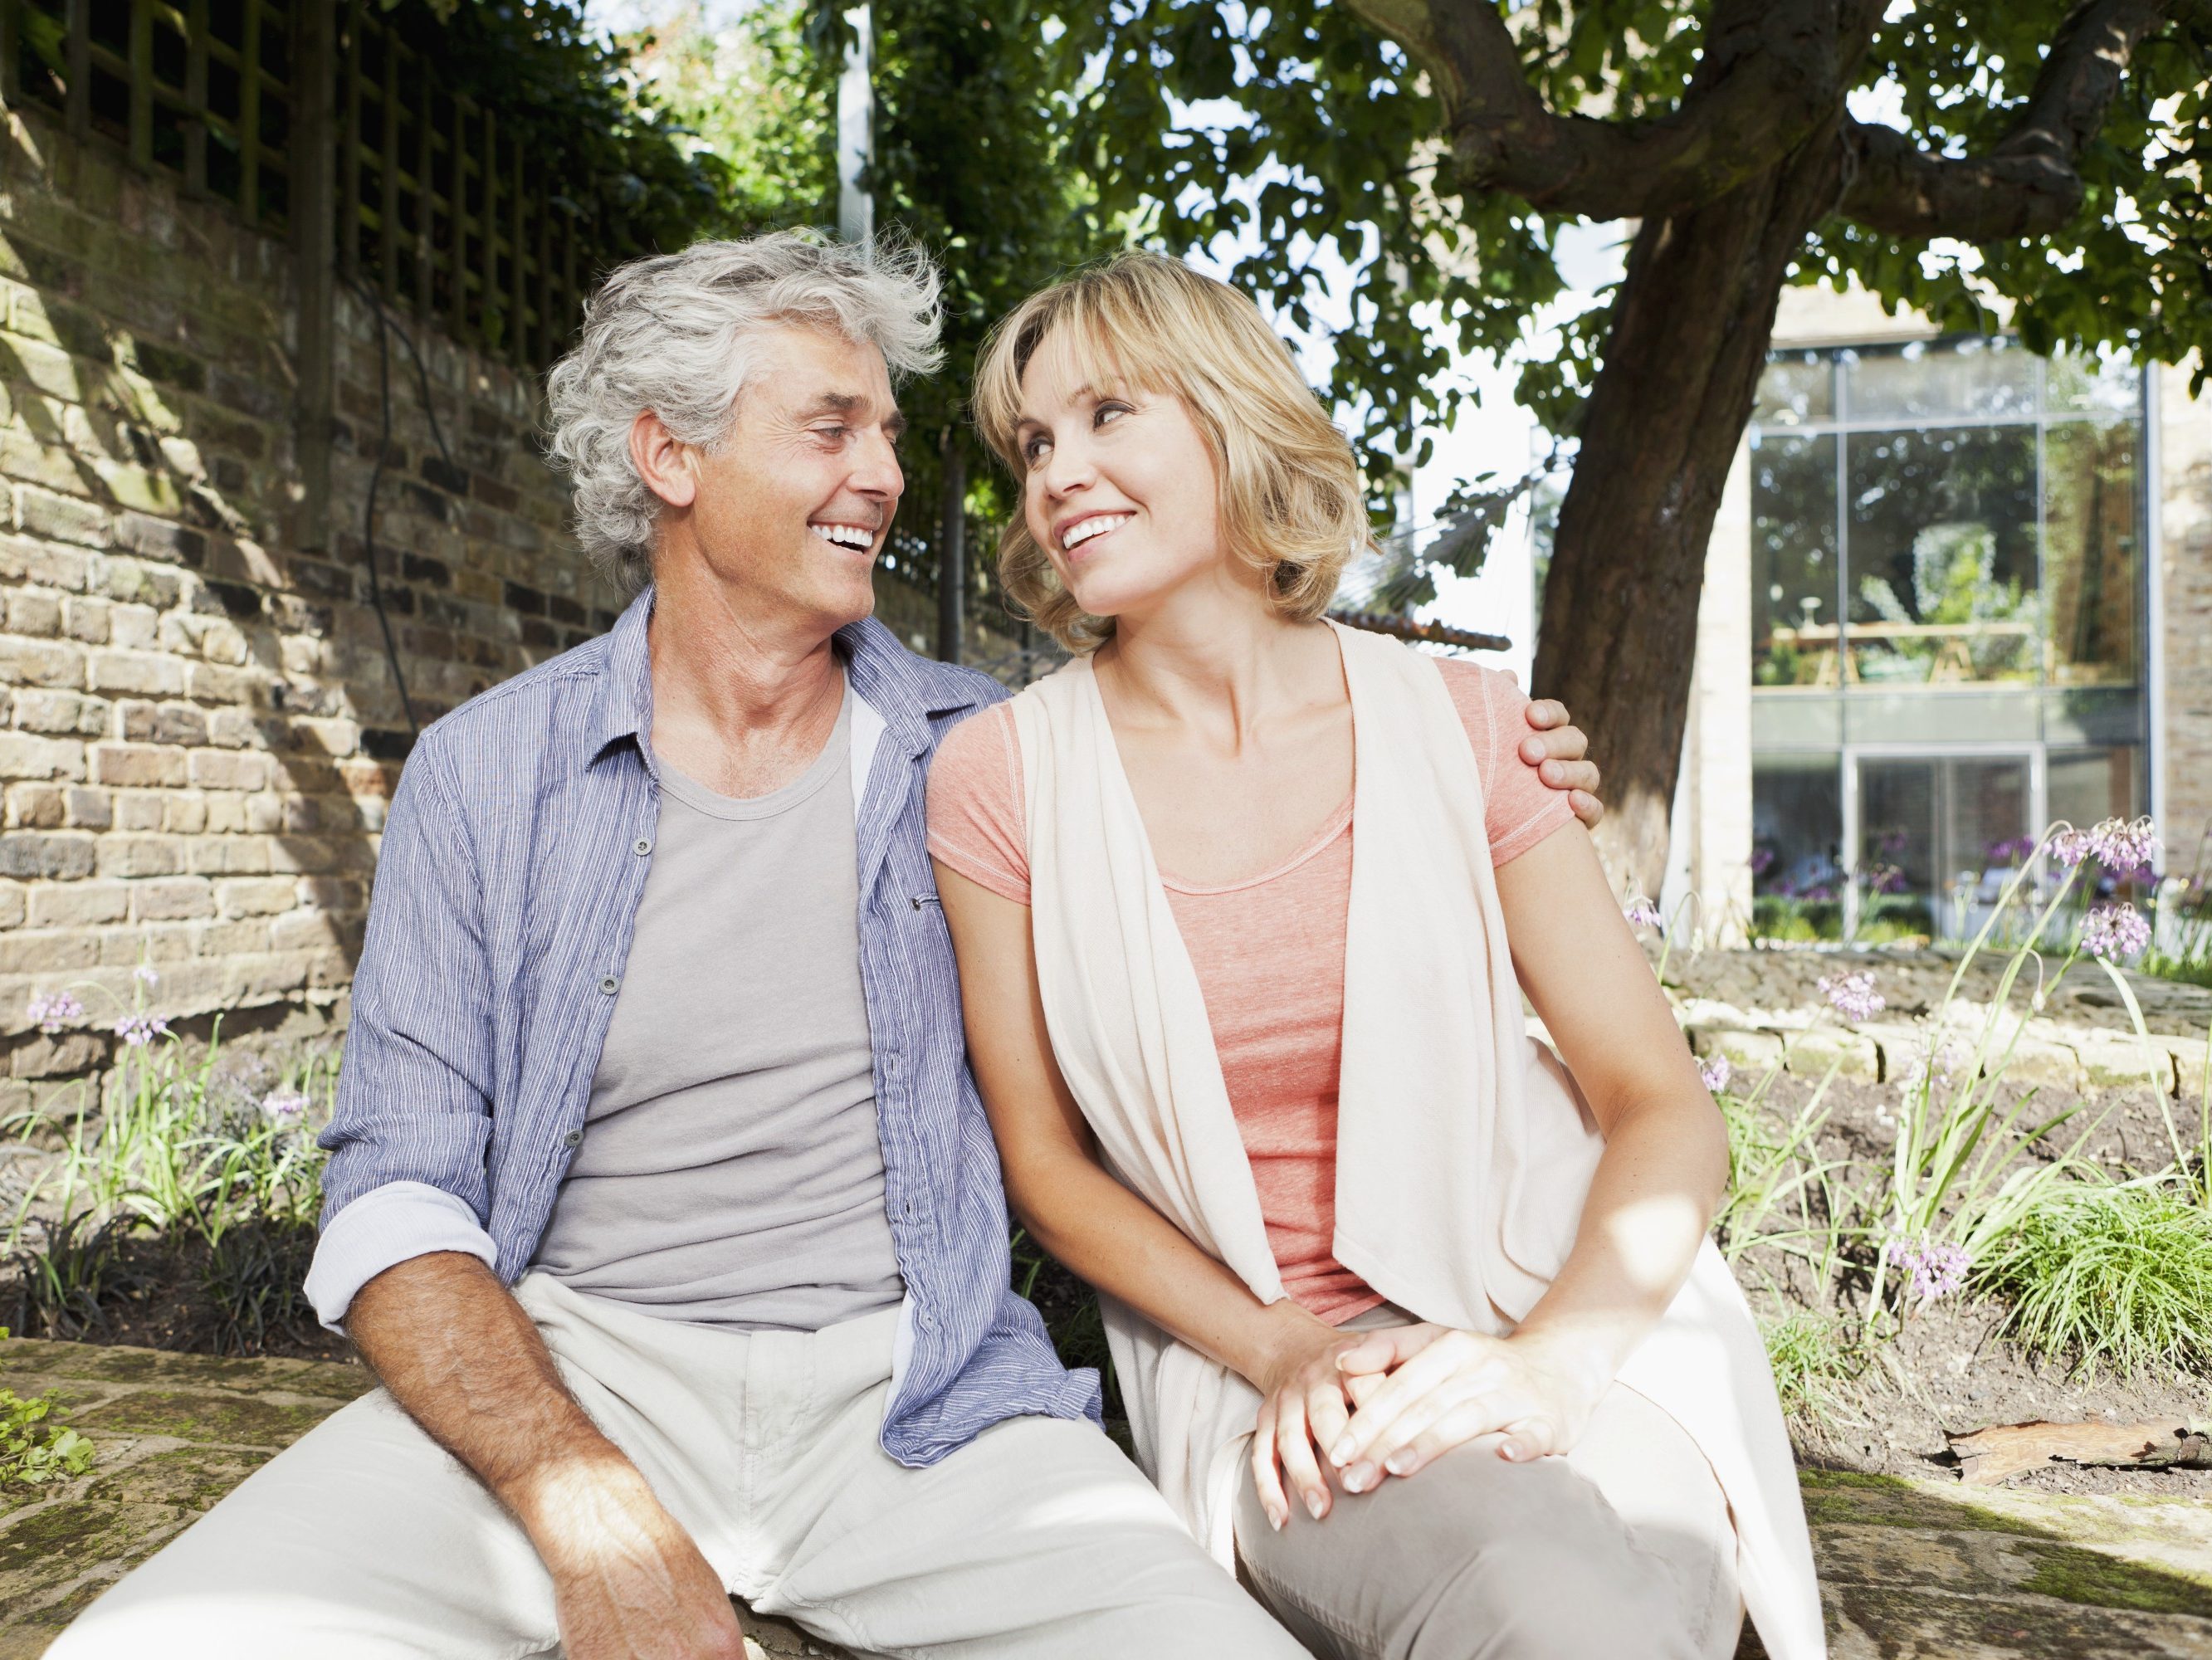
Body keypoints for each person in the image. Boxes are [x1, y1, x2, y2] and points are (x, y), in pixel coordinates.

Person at [47, 232, 1604, 1660]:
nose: (885, 470)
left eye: (889, 429)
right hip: (577, 1370)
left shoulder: (994, 759)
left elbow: (1249, 795)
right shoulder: (486, 774)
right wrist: (580, 1496)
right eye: (830, 427)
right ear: (670, 456)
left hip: (924, 1399)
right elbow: (396, 1189)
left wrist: (1480, 766)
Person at [926, 252, 1826, 1660]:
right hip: (1272, 1368)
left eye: (1108, 415)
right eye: (1033, 442)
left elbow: (1657, 1104)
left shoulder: (1463, 727)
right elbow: (1045, 1168)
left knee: (1661, 1587)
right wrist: (1290, 1351)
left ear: (1233, 422)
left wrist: (1550, 1368)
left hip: (1560, 1303)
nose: (1055, 472)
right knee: (1562, 1607)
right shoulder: (999, 779)